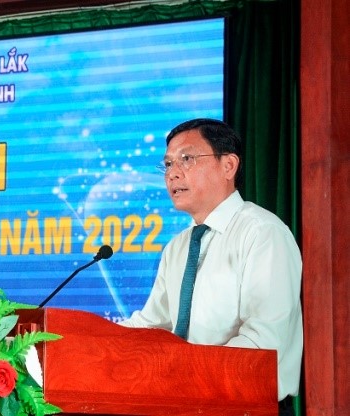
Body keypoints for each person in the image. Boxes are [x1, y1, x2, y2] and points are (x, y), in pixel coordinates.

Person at [120, 118, 302, 416]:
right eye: (168, 164)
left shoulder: (262, 233)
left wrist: (186, 376)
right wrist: (81, 340)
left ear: (228, 166)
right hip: (187, 406)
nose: (172, 173)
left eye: (187, 159)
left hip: (246, 407)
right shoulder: (177, 247)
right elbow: (152, 325)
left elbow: (264, 340)